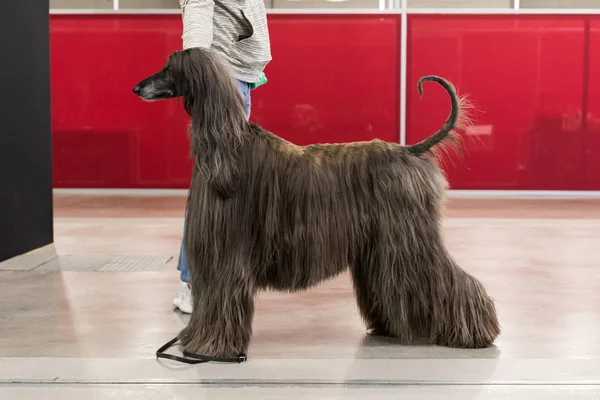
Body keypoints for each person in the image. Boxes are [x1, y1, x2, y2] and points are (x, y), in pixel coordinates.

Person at [172, 0, 272, 314]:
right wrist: (198, 66)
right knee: (216, 183)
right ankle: (197, 284)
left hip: (232, 73)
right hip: (222, 77)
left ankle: (201, 280)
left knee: (220, 181)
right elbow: (197, 5)